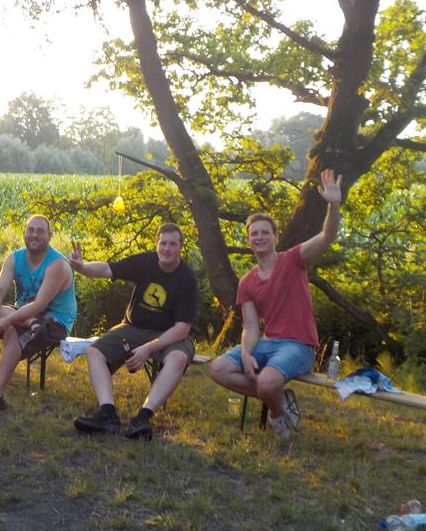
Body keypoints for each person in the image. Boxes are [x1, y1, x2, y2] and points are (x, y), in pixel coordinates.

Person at [209, 168, 343, 440]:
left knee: (267, 382)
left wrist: (334, 205)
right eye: (254, 234)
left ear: (275, 236)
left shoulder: (293, 260)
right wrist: (246, 354)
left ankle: (275, 411)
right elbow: (250, 327)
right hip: (267, 343)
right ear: (248, 240)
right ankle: (281, 399)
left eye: (264, 233)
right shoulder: (247, 281)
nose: (259, 237)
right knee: (218, 369)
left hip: (299, 345)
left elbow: (327, 236)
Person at [69, 223, 199, 441]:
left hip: (170, 335)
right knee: (94, 352)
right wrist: (82, 267)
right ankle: (107, 414)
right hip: (132, 328)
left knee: (178, 358)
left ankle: (143, 418)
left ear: (180, 247)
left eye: (172, 244)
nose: (167, 249)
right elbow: (108, 269)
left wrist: (147, 349)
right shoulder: (145, 261)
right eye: (163, 243)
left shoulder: (187, 278)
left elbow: (182, 329)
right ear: (157, 244)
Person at [0, 214, 77, 414]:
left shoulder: (57, 264)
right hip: (28, 317)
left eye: (40, 231)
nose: (34, 235)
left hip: (55, 322)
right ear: (24, 233)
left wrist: (8, 319)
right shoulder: (14, 258)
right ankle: (30, 324)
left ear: (49, 236)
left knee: (12, 327)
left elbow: (39, 305)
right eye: (30, 230)